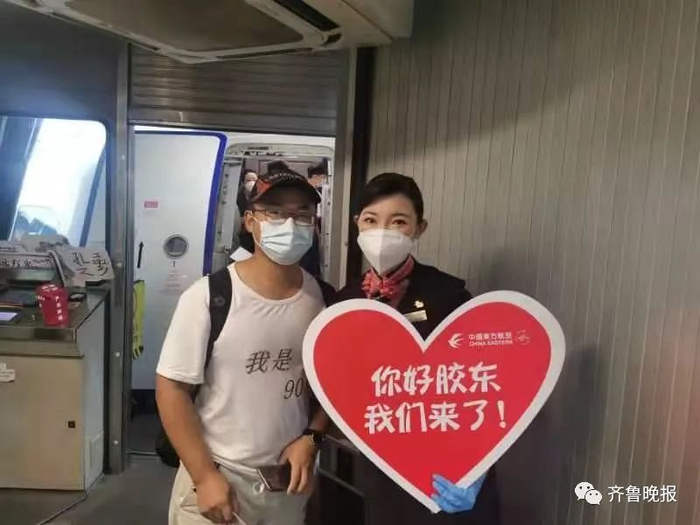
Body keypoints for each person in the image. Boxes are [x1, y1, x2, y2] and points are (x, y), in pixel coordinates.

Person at [156, 165, 331, 525]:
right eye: (275, 212)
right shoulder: (210, 296)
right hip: (218, 479)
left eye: (302, 214)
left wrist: (312, 439)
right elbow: (172, 389)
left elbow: (332, 385)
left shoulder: (323, 299)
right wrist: (204, 476)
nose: (289, 224)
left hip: (286, 482)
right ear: (250, 221)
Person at [334, 173, 501, 524]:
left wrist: (478, 467)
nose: (383, 232)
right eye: (371, 220)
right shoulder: (343, 304)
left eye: (399, 222)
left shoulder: (449, 295)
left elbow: (486, 385)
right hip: (383, 466)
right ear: (357, 224)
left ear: (419, 228)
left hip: (451, 463)